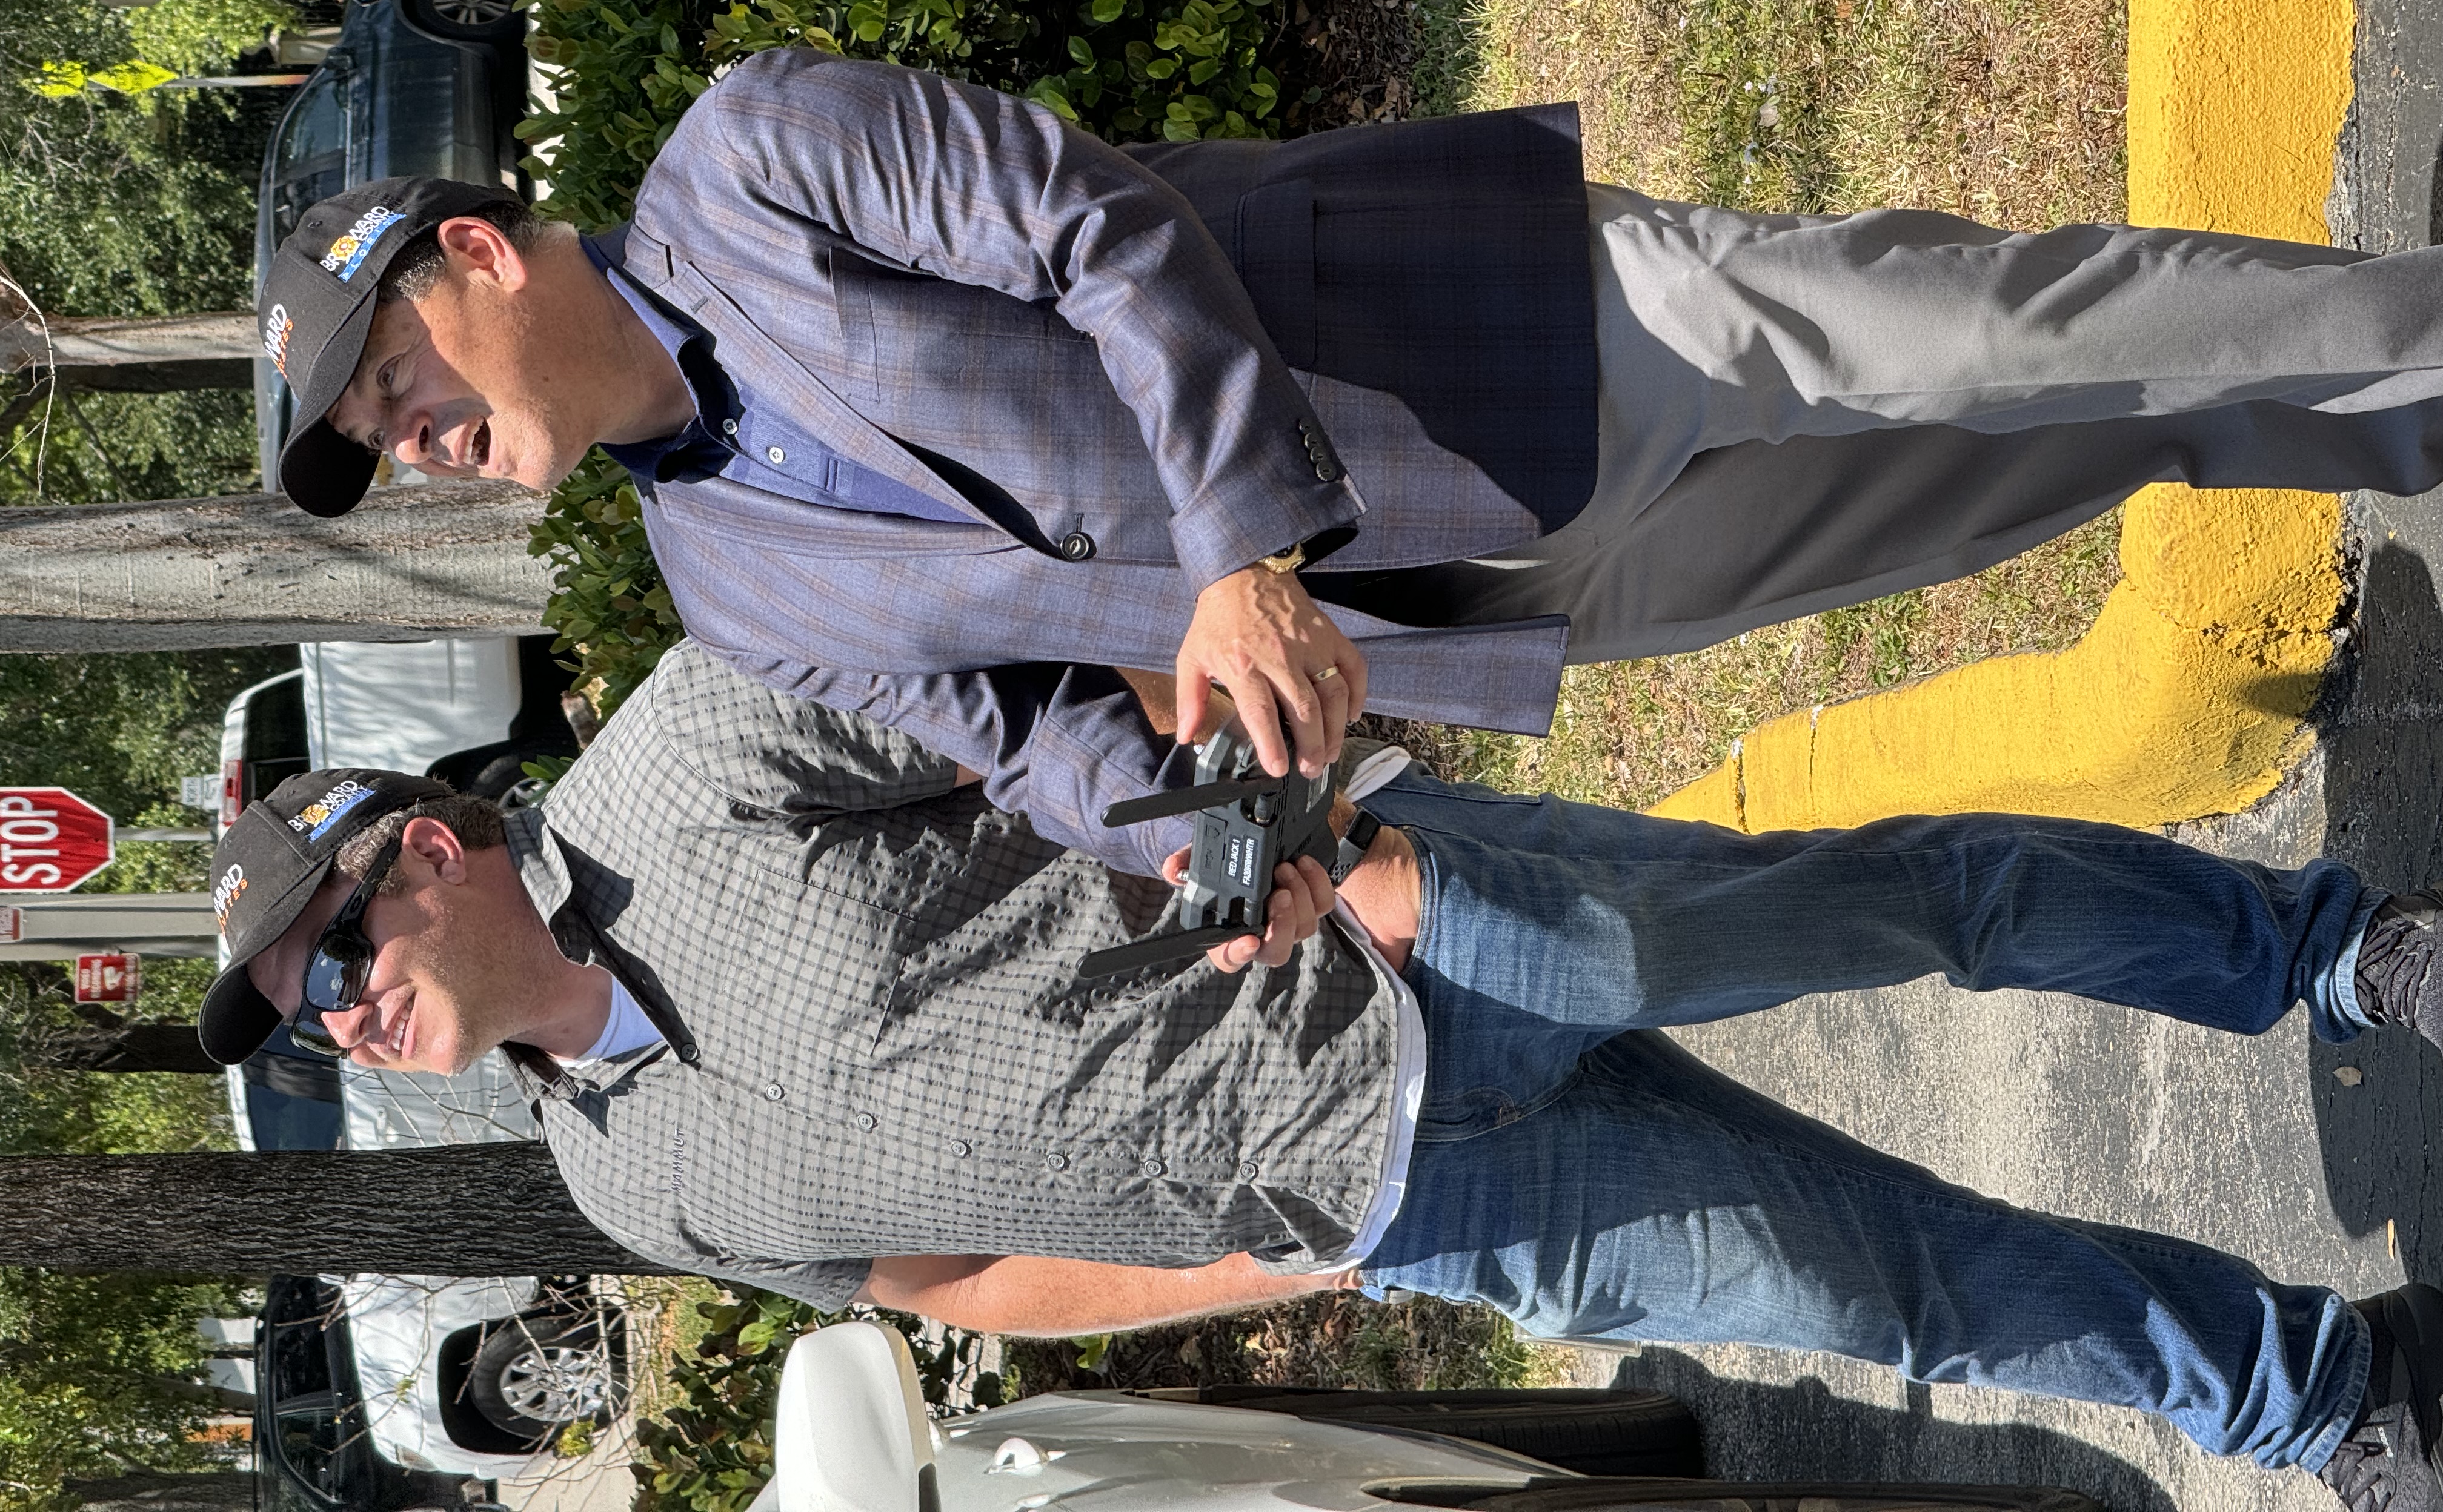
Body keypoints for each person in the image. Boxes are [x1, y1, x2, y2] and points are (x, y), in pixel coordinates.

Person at [202, 644, 2443, 1512]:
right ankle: (2309, 1388)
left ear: (422, 845)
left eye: (333, 956)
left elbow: (1044, 689)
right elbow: (963, 1276)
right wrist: (1238, 1263)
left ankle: (2328, 955)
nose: (339, 1014)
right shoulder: (627, 1190)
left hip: (1420, 936)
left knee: (1899, 909)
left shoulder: (684, 761)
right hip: (1413, 1200)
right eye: (307, 1019)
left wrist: (1336, 852)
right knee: (1902, 1300)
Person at [254, 55, 2443, 869]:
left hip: (1511, 345)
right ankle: (2370, 431)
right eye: (383, 449)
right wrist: (1226, 843)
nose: (419, 442)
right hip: (1475, 610)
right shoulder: (727, 588)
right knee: (2022, 474)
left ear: (469, 252)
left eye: (393, 382)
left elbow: (1084, 221)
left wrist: (1230, 554)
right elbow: (1015, 744)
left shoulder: (747, 162)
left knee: (2006, 329)